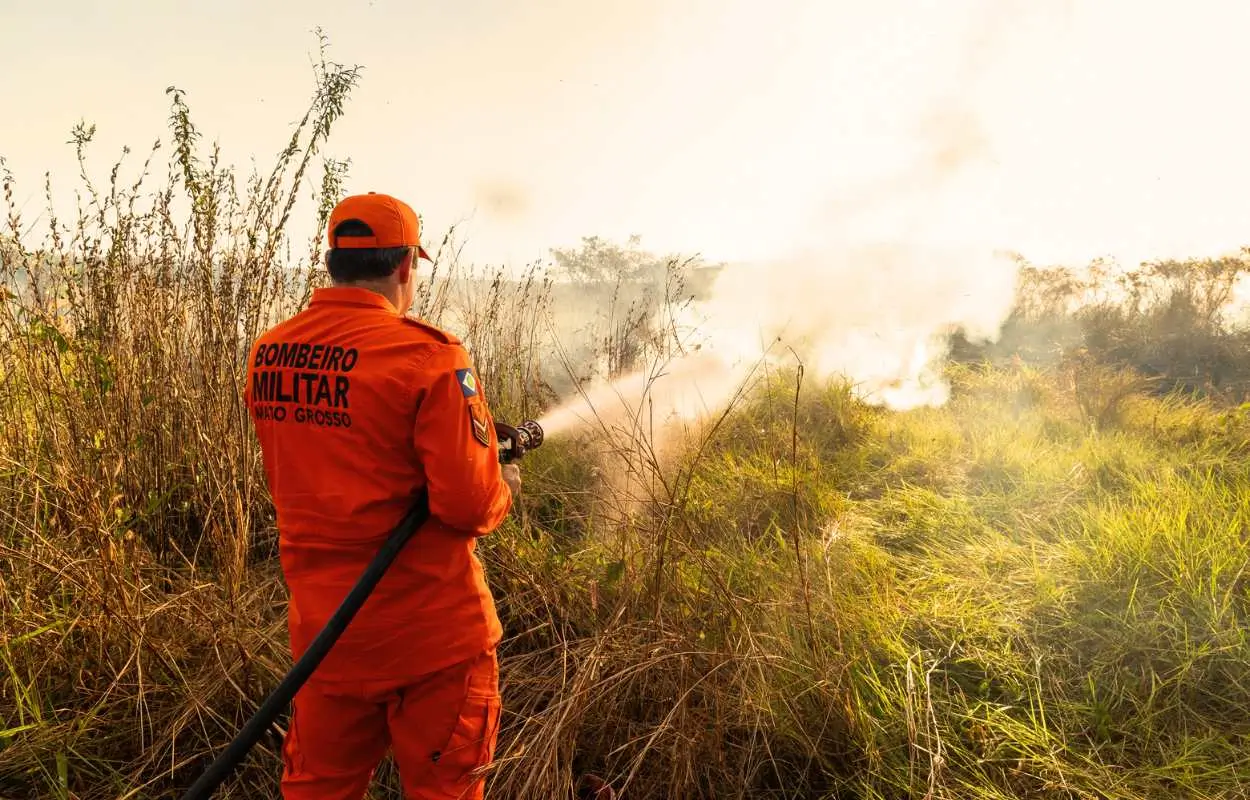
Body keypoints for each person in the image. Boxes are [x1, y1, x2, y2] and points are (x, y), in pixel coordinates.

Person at [243, 191, 521, 799]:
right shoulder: (430, 356)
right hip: (434, 644)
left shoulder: (269, 353)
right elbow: (468, 505)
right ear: (405, 267)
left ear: (331, 263)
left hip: (327, 642)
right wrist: (501, 483)